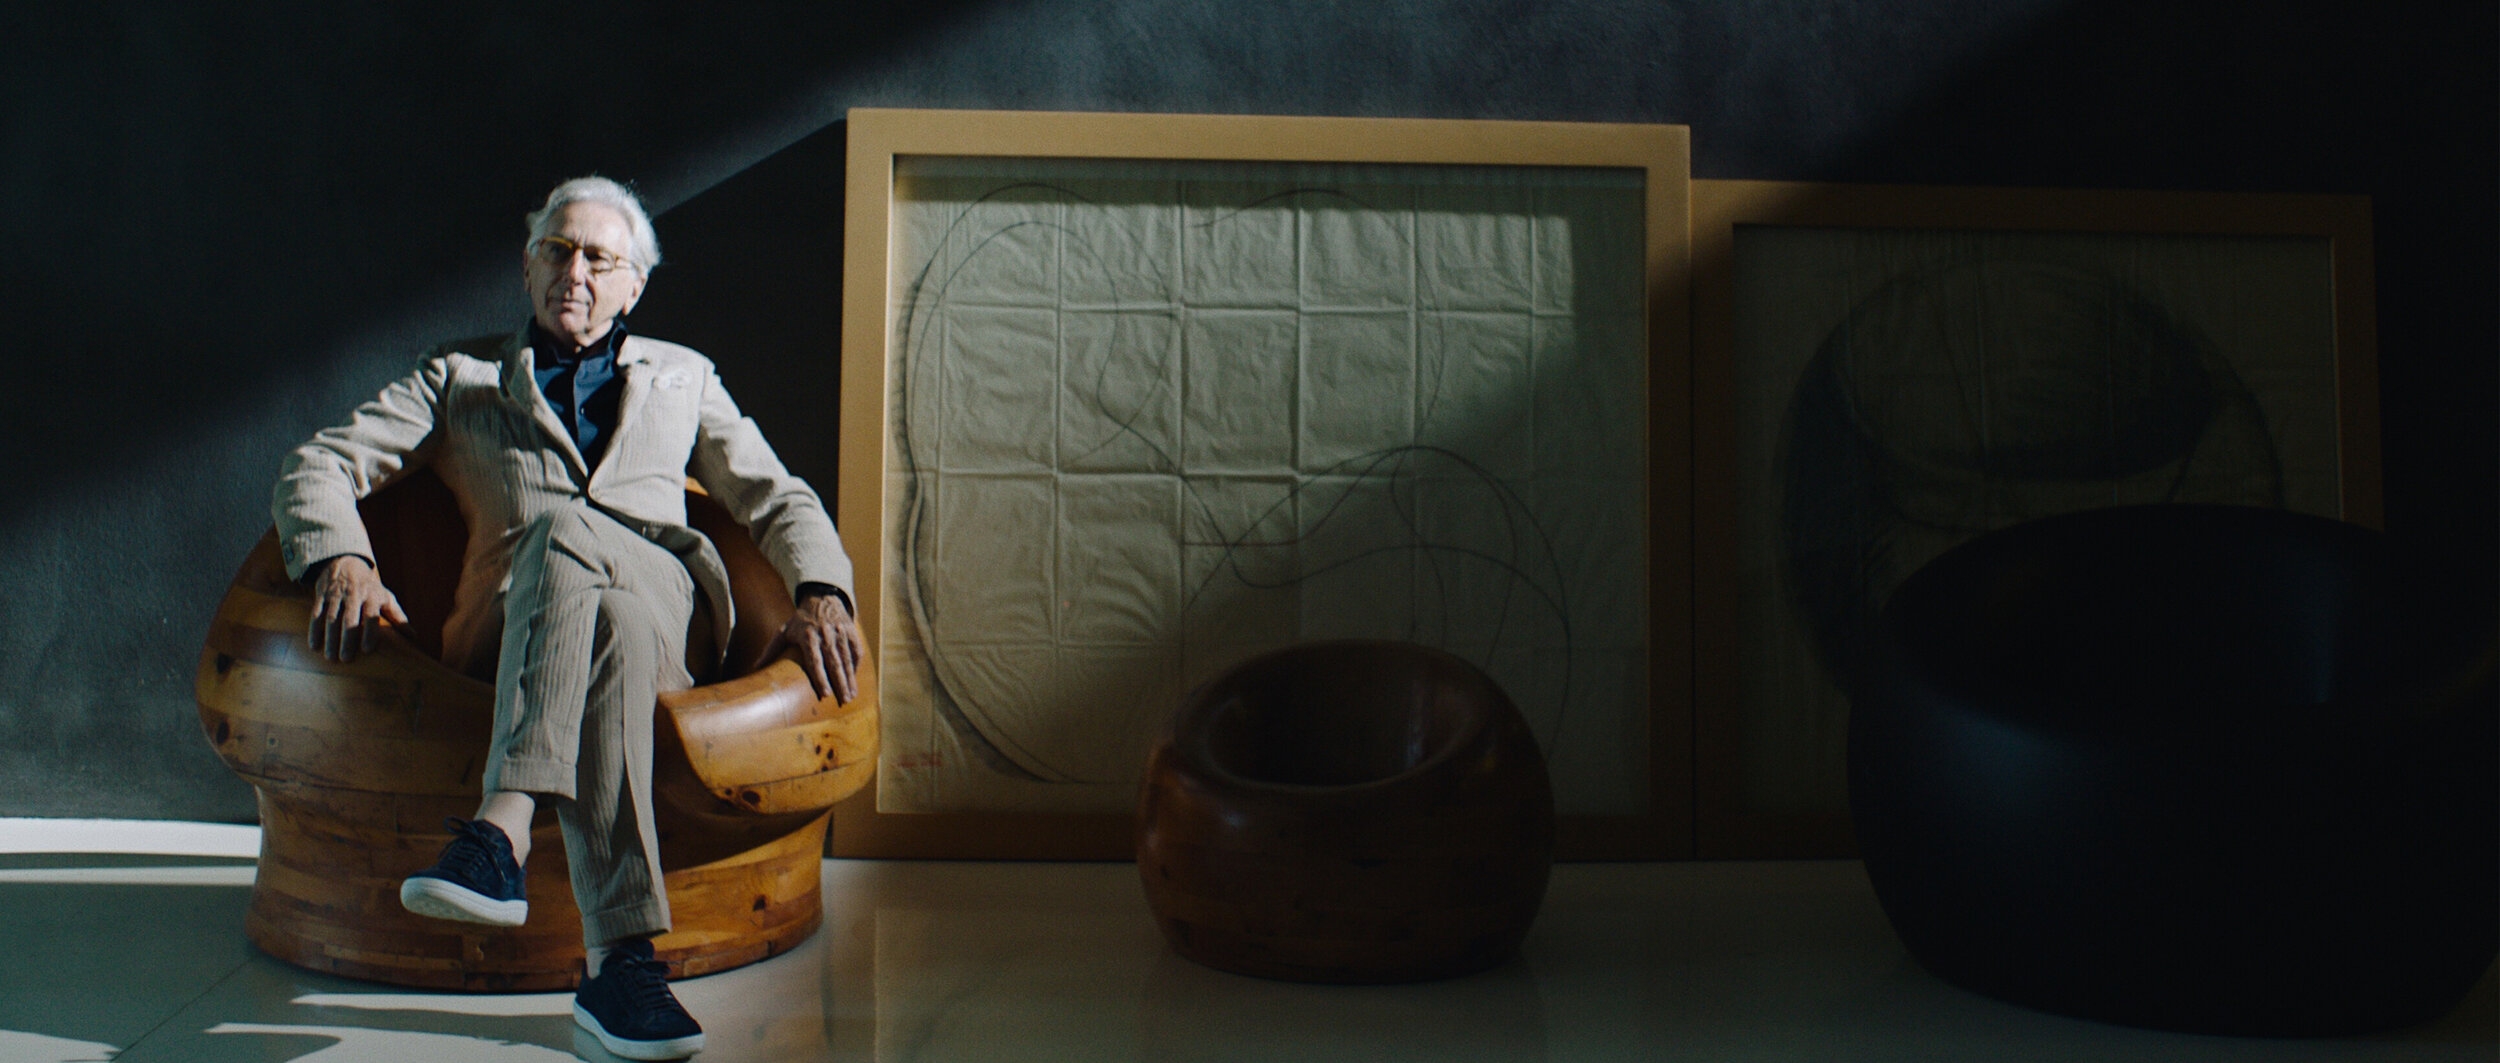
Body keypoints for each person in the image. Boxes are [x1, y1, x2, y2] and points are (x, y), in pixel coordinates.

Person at [273, 176, 862, 1060]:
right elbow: (317, 463)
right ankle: (622, 966)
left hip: (670, 615)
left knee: (579, 545)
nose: (574, 271)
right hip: (515, 633)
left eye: (598, 257)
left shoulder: (684, 375)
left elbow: (779, 498)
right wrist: (340, 557)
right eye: (557, 250)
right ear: (527, 266)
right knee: (602, 619)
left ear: (634, 285)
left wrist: (822, 590)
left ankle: (500, 828)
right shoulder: (460, 375)